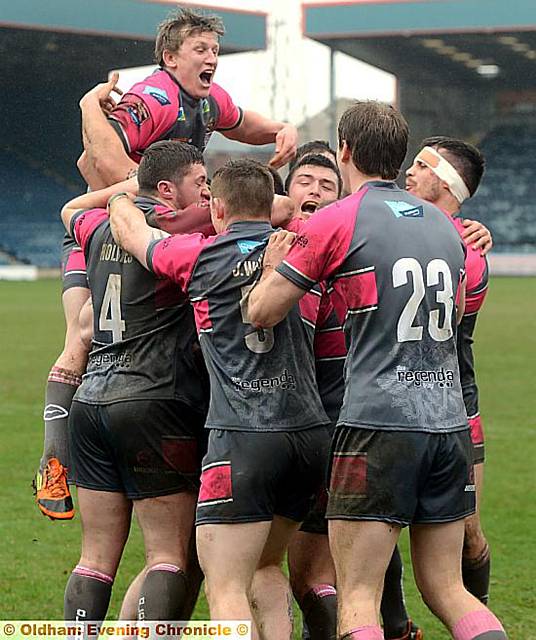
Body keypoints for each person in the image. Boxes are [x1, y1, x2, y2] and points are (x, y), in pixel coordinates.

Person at [248, 101, 507, 640]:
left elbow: (263, 311)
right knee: (448, 589)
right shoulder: (447, 228)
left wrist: (272, 268)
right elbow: (456, 315)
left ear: (344, 151)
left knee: (359, 596)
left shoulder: (337, 219)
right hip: (448, 424)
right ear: (399, 156)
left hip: (377, 424)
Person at [109, 158, 331, 640]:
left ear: (219, 207)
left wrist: (123, 194)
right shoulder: (301, 248)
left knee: (225, 585)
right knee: (267, 568)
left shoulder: (200, 255)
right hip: (311, 435)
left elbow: (131, 234)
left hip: (244, 436)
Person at [60, 141, 211, 623]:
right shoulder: (177, 226)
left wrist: (125, 189)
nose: (206, 193)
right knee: (168, 555)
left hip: (91, 400)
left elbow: (69, 209)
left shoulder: (98, 225)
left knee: (94, 558)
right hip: (154, 399)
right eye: (199, 182)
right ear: (167, 190)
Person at [284, 153, 422, 640]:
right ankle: (398, 624)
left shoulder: (336, 257)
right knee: (360, 542)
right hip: (325, 425)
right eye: (305, 181)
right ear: (285, 192)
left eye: (327, 184)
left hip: (331, 426)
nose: (316, 191)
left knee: (312, 572)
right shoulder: (276, 247)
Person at [78, 6, 298, 190]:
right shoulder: (154, 99)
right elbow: (96, 159)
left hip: (165, 204)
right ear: (170, 57)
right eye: (201, 50)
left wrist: (282, 129)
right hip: (120, 212)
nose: (212, 59)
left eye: (215, 51)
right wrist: (89, 104)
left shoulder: (213, 98)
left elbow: (244, 126)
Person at [406, 137, 491, 604]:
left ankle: (480, 615)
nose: (408, 173)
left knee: (469, 534)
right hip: (392, 400)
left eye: (420, 166)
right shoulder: (397, 222)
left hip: (455, 404)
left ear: (443, 181)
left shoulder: (470, 255)